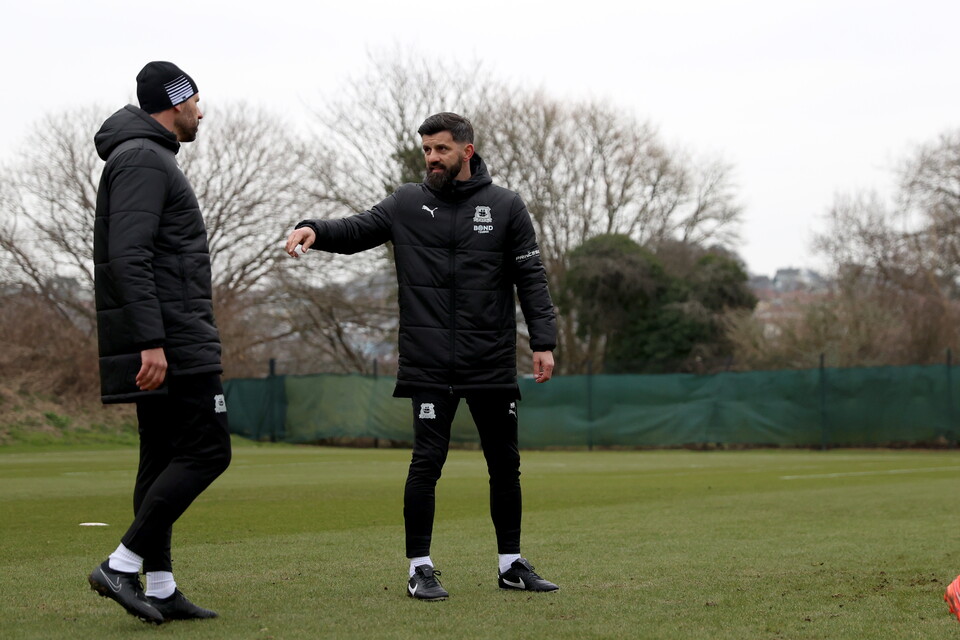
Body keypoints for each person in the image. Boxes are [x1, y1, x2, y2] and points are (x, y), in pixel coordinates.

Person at [285, 112, 559, 600]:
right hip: (429, 361)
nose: (432, 158)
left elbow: (531, 278)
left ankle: (511, 564)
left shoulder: (506, 206)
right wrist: (315, 230)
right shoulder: (407, 203)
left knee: (505, 465)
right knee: (426, 463)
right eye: (427, 150)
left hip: (490, 361)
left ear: (466, 152)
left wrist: (543, 340)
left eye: (441, 149)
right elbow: (357, 229)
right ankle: (420, 567)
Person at [87, 61, 232, 624]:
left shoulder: (141, 156)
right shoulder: (146, 159)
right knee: (209, 451)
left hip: (167, 335)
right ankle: (122, 565)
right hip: (173, 340)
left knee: (161, 460)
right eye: (195, 101)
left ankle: (162, 585)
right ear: (175, 104)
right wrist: (153, 341)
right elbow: (130, 256)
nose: (201, 110)